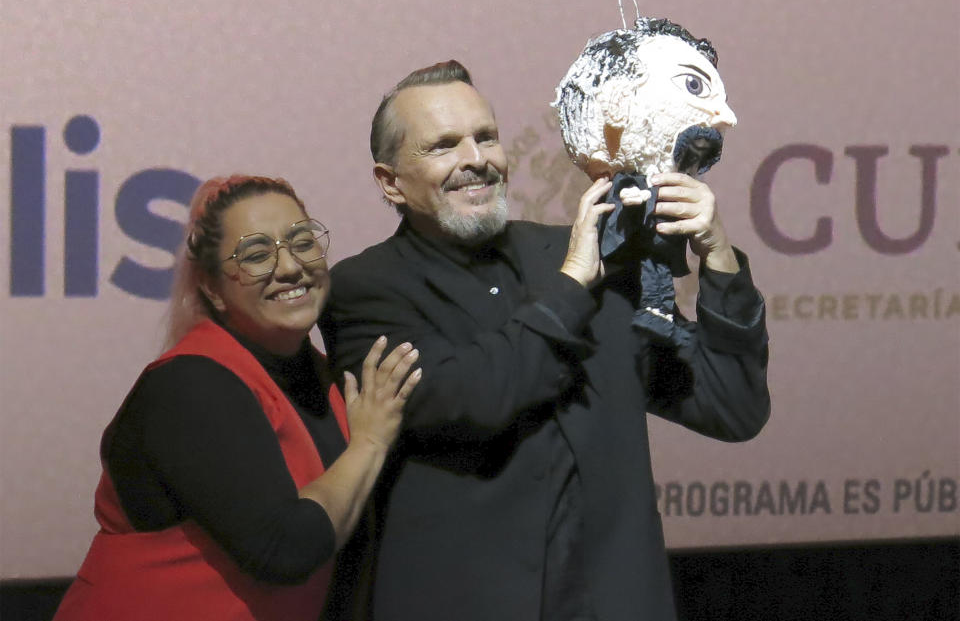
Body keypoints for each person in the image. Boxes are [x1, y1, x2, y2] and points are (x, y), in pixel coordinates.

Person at [320, 61, 770, 621]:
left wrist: (718, 256)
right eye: (443, 146)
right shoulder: (365, 290)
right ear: (390, 181)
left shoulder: (589, 255)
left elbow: (733, 407)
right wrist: (573, 284)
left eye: (486, 137)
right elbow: (475, 398)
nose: (477, 161)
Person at [54, 175, 422, 621]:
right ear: (211, 288)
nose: (289, 267)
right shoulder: (189, 386)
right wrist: (370, 444)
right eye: (256, 254)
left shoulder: (331, 377)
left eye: (302, 242)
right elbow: (285, 549)